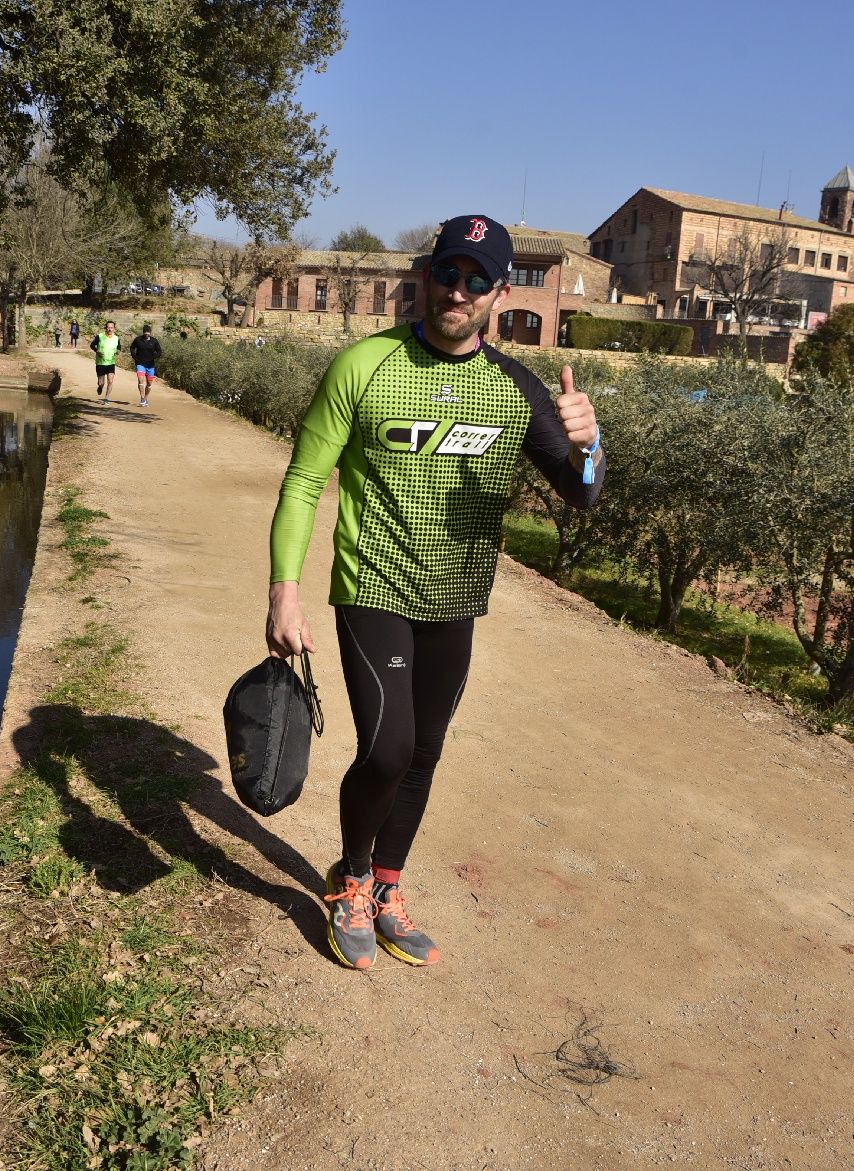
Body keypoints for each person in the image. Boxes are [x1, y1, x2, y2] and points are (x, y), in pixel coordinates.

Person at [263, 214, 605, 971]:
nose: (458, 289)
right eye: (447, 271)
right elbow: (304, 480)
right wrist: (284, 591)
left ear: (500, 292)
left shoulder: (517, 390)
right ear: (426, 274)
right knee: (385, 750)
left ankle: (388, 888)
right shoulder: (364, 365)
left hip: (456, 599)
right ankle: (348, 881)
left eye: (476, 279)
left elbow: (580, 495)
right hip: (373, 584)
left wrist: (591, 446)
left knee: (423, 751)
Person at [130, 323, 163, 407]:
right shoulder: (138, 340)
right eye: (145, 332)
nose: (146, 333)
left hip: (150, 365)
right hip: (140, 363)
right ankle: (142, 398)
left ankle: (145, 398)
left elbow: (159, 351)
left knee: (149, 384)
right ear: (143, 332)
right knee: (140, 380)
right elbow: (132, 347)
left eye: (148, 332)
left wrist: (155, 356)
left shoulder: (154, 341)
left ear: (150, 333)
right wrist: (134, 356)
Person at [89, 319, 121, 401]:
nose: (110, 329)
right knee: (101, 383)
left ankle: (106, 398)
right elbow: (92, 345)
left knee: (110, 381)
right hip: (101, 362)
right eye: (108, 327)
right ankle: (100, 387)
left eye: (111, 328)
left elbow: (119, 347)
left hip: (111, 362)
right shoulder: (99, 336)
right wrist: (97, 351)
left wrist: (118, 351)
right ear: (105, 328)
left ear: (114, 329)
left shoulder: (117, 338)